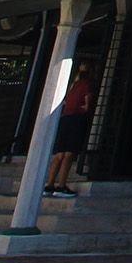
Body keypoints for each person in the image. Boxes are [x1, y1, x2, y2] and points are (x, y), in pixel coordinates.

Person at [44, 63, 97, 198]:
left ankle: (50, 184)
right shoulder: (87, 85)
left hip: (65, 118)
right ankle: (61, 185)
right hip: (76, 119)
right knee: (69, 153)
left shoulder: (72, 86)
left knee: (59, 154)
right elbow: (87, 105)